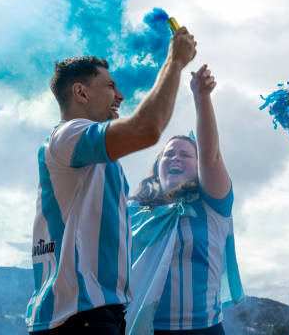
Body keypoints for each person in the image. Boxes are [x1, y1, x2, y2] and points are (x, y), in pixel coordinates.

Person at [25, 26, 197, 334]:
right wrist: (175, 61)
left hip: (95, 315)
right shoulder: (67, 134)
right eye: (110, 86)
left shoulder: (97, 159)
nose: (120, 95)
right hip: (79, 318)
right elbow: (147, 129)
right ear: (81, 92)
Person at [127, 64, 243, 335]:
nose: (175, 158)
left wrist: (202, 99)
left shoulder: (212, 206)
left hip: (202, 329)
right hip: (141, 328)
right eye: (168, 154)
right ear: (157, 167)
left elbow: (211, 156)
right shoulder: (132, 211)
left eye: (185, 155)